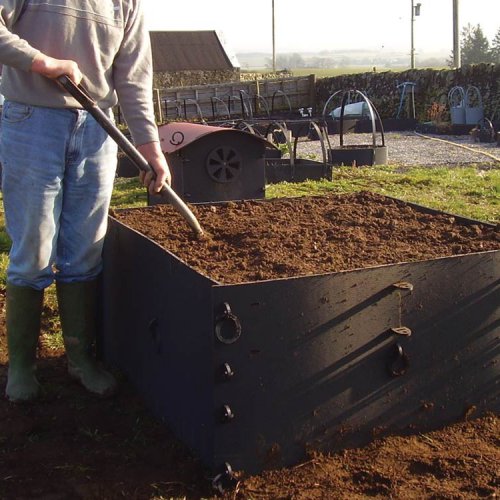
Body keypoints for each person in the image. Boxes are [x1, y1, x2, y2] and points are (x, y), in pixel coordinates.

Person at [0, 0, 171, 402]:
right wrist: (41, 61)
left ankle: (79, 358)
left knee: (85, 249)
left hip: (97, 130)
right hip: (32, 121)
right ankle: (22, 366)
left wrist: (150, 147)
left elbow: (133, 77)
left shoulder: (125, 3)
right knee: (34, 249)